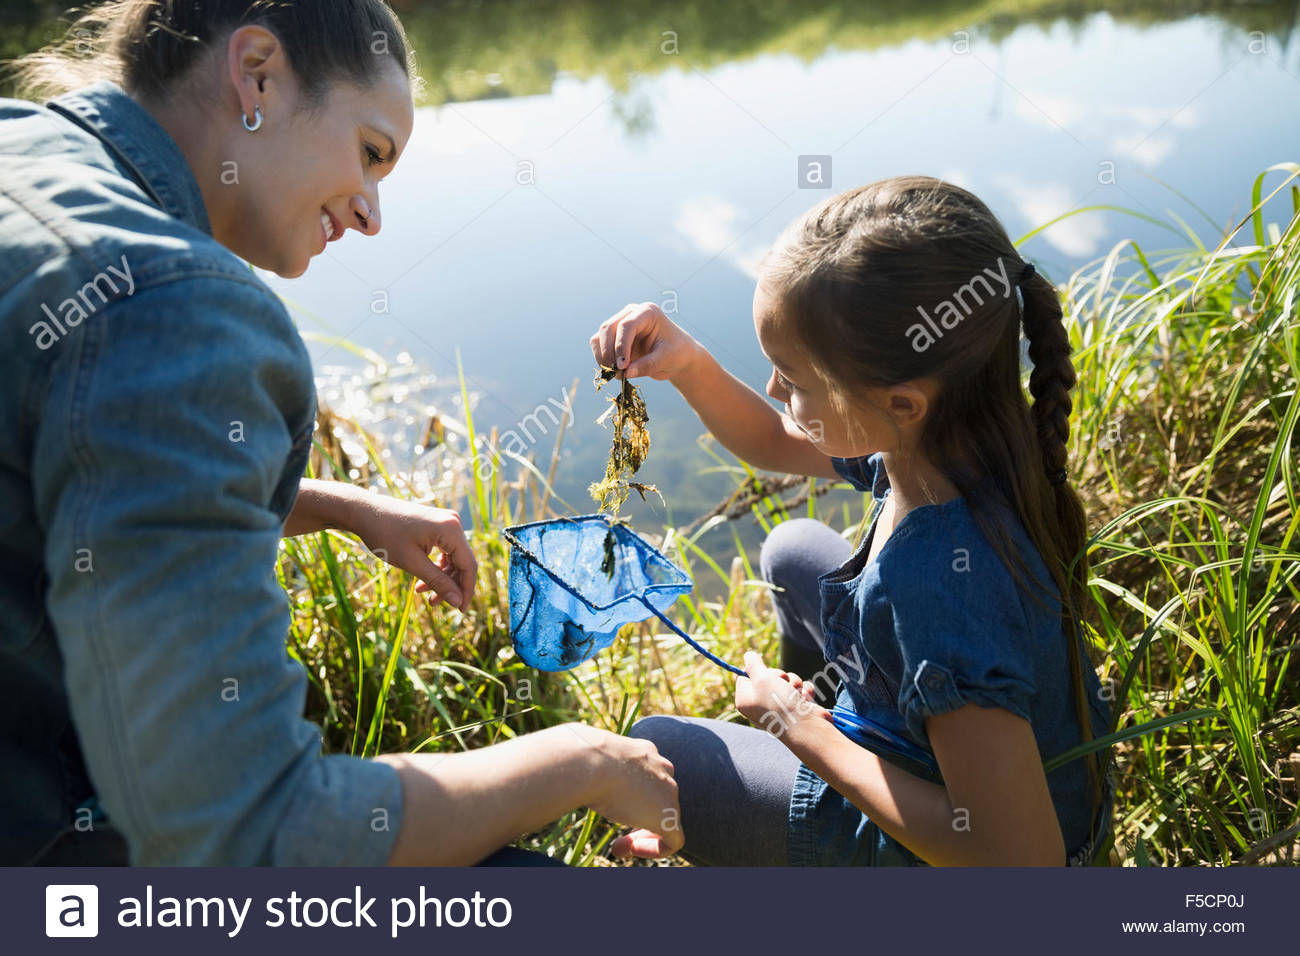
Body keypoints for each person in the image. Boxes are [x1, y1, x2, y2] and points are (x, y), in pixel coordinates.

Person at [0, 0, 681, 866]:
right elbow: (259, 833)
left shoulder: (21, 147)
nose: (370, 215)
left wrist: (335, 505)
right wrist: (582, 761)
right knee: (520, 883)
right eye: (369, 152)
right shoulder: (171, 304)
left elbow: (72, 473)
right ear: (256, 74)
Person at [589, 177, 1116, 866]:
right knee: (792, 551)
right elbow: (775, 441)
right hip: (937, 761)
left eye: (794, 378)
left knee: (657, 749)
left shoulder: (939, 583)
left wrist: (803, 730)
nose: (777, 390)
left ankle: (812, 833)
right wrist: (685, 362)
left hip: (950, 857)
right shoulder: (951, 445)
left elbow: (1018, 862)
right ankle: (819, 767)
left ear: (901, 402)